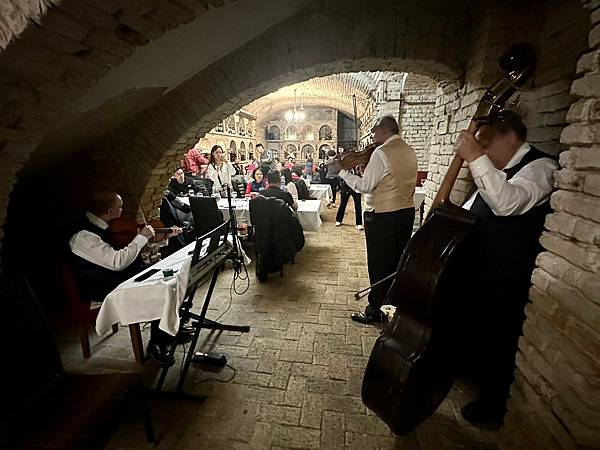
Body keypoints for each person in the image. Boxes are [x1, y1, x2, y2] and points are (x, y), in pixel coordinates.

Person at [454, 110, 558, 424]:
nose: (482, 153)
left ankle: (492, 406)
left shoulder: (542, 168)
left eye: (486, 146)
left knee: (501, 338)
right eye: (480, 148)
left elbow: (507, 203)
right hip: (484, 269)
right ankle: (470, 372)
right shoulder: (497, 170)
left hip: (509, 274)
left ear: (510, 137)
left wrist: (474, 156)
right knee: (480, 330)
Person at [69, 191, 183, 366]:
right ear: (108, 211)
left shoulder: (106, 226)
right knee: (158, 289)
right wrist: (141, 237)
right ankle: (157, 343)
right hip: (99, 286)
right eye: (120, 208)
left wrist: (162, 239)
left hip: (114, 277)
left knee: (167, 279)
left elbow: (130, 251)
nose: (122, 212)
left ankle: (168, 327)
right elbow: (117, 262)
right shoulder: (83, 237)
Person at [328, 116, 417, 325]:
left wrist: (341, 171)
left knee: (379, 263)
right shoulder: (408, 150)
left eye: (374, 132)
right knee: (396, 261)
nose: (373, 137)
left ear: (383, 130)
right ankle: (392, 303)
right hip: (406, 212)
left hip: (383, 215)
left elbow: (365, 186)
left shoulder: (382, 152)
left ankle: (374, 309)